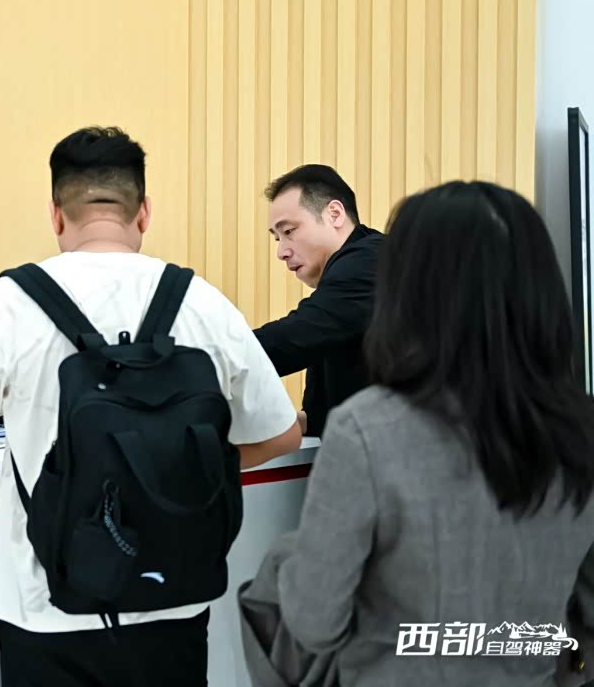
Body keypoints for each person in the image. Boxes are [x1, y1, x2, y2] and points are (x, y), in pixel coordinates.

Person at [0, 126, 301, 686]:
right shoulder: (200, 302)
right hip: (173, 605)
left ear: (56, 215)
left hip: (45, 609)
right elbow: (281, 434)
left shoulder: (11, 304)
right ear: (144, 212)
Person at [248, 181, 594, 686]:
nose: (282, 249)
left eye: (287, 230)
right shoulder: (579, 428)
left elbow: (313, 622)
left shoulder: (368, 430)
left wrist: (284, 560)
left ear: (407, 285)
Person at [254, 165, 383, 436]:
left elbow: (294, 338)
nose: (281, 252)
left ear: (334, 214)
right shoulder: (344, 283)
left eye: (289, 231)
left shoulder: (369, 262)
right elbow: (324, 415)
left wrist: (201, 360)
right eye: (277, 238)